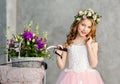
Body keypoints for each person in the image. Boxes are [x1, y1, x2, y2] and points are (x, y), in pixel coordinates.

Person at [55, 9, 104, 84]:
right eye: (83, 25)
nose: (85, 29)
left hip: (89, 79)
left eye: (89, 27)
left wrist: (88, 45)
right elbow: (61, 66)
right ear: (77, 24)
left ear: (91, 29)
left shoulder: (93, 44)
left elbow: (93, 64)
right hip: (71, 78)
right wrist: (58, 55)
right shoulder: (68, 43)